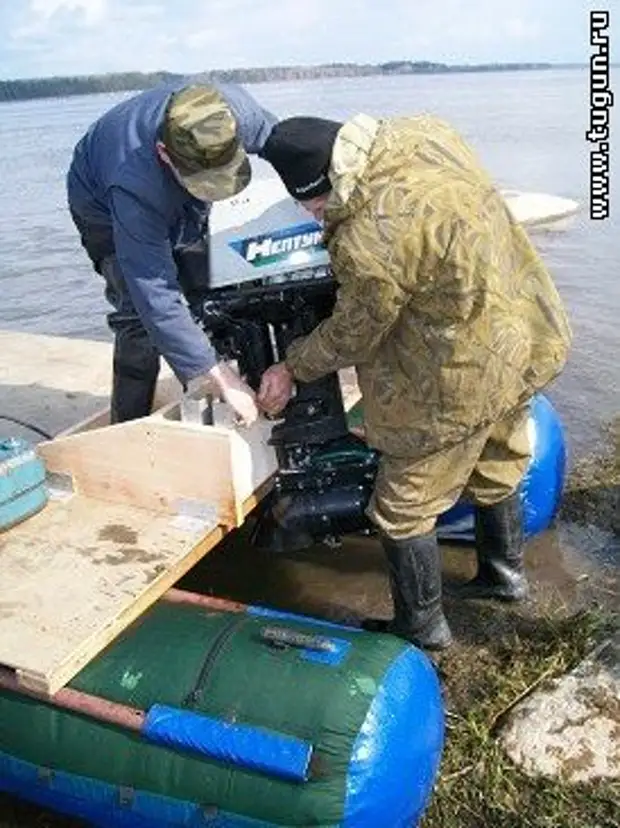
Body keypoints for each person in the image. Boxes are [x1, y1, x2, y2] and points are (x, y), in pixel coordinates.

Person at [257, 113, 572, 650]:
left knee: (401, 508)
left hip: (462, 372)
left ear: (325, 185)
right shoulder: (419, 132)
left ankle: (422, 628)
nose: (315, 219)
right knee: (497, 463)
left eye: (314, 207)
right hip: (521, 332)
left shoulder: (369, 239)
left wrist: (291, 366)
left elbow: (355, 332)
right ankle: (504, 578)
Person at [67, 80, 278, 425]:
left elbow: (291, 148)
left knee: (209, 287)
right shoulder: (132, 186)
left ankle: (219, 389)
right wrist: (222, 378)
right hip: (99, 201)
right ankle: (128, 423)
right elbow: (155, 293)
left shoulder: (236, 114)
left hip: (169, 178)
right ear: (165, 153)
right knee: (136, 316)